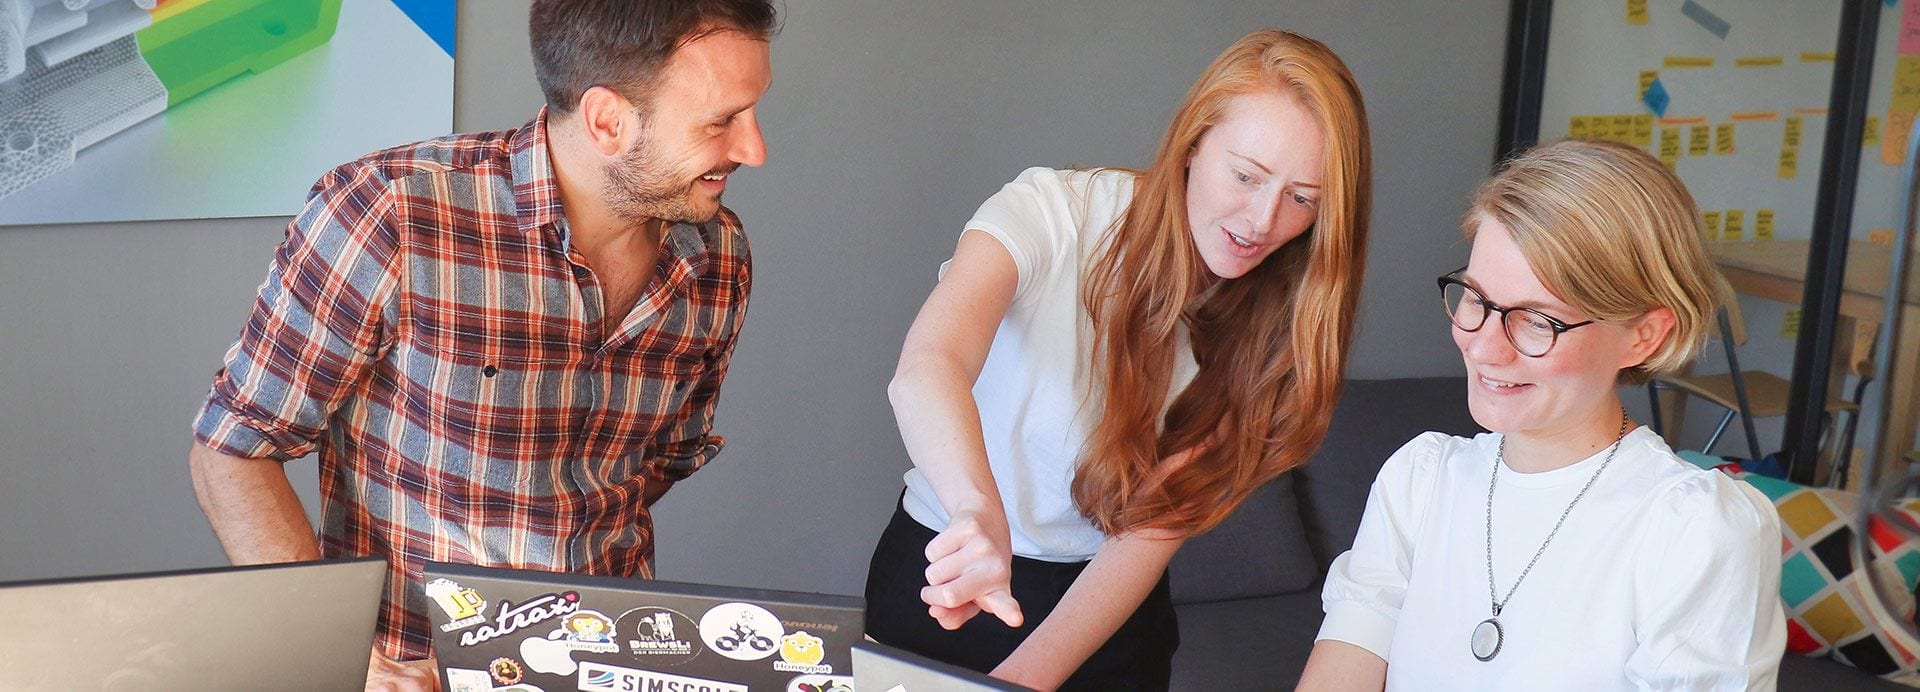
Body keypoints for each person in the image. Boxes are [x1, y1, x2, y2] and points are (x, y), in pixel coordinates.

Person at [185, 1, 776, 688]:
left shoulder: (718, 252)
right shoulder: (394, 213)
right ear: (608, 121)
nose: (754, 149)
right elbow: (233, 450)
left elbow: (662, 461)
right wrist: (334, 651)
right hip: (413, 674)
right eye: (722, 121)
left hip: (612, 665)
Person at [865, 29, 1372, 690]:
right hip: (944, 570)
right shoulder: (1056, 212)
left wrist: (1017, 684)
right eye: (1245, 176)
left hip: (1102, 620)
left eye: (1303, 197)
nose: (1260, 219)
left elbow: (1145, 537)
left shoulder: (1282, 327)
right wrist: (976, 511)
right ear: (1193, 144)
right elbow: (927, 367)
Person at [1298, 139, 1786, 690]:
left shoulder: (1695, 530)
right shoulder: (1420, 483)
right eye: (1475, 298)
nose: (1483, 348)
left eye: (1537, 320)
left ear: (1644, 337)